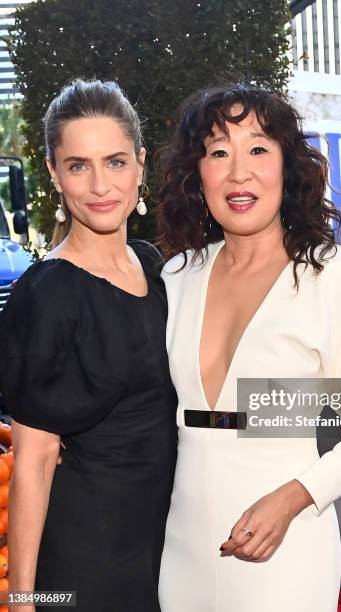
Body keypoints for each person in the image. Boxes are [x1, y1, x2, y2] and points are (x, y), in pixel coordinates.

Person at [157, 83, 341, 611]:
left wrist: (292, 499)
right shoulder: (178, 276)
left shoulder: (333, 278)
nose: (238, 172)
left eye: (258, 148)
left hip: (287, 544)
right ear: (197, 173)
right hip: (183, 545)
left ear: (288, 166)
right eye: (218, 152)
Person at [0, 79, 177, 612]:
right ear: (54, 173)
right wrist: (25, 600)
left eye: (116, 162)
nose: (100, 184)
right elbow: (33, 458)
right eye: (78, 165)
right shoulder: (47, 292)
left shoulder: (153, 265)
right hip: (84, 563)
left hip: (160, 545)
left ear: (141, 165)